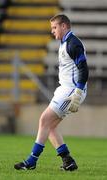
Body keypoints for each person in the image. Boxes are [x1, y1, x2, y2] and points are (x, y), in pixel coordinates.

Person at [14, 14, 89, 171]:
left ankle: (31, 161)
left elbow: (84, 69)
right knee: (49, 127)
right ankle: (68, 160)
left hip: (71, 91)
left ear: (64, 26)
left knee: (44, 121)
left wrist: (78, 92)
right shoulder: (64, 42)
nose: (52, 31)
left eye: (54, 27)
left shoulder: (73, 43)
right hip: (65, 89)